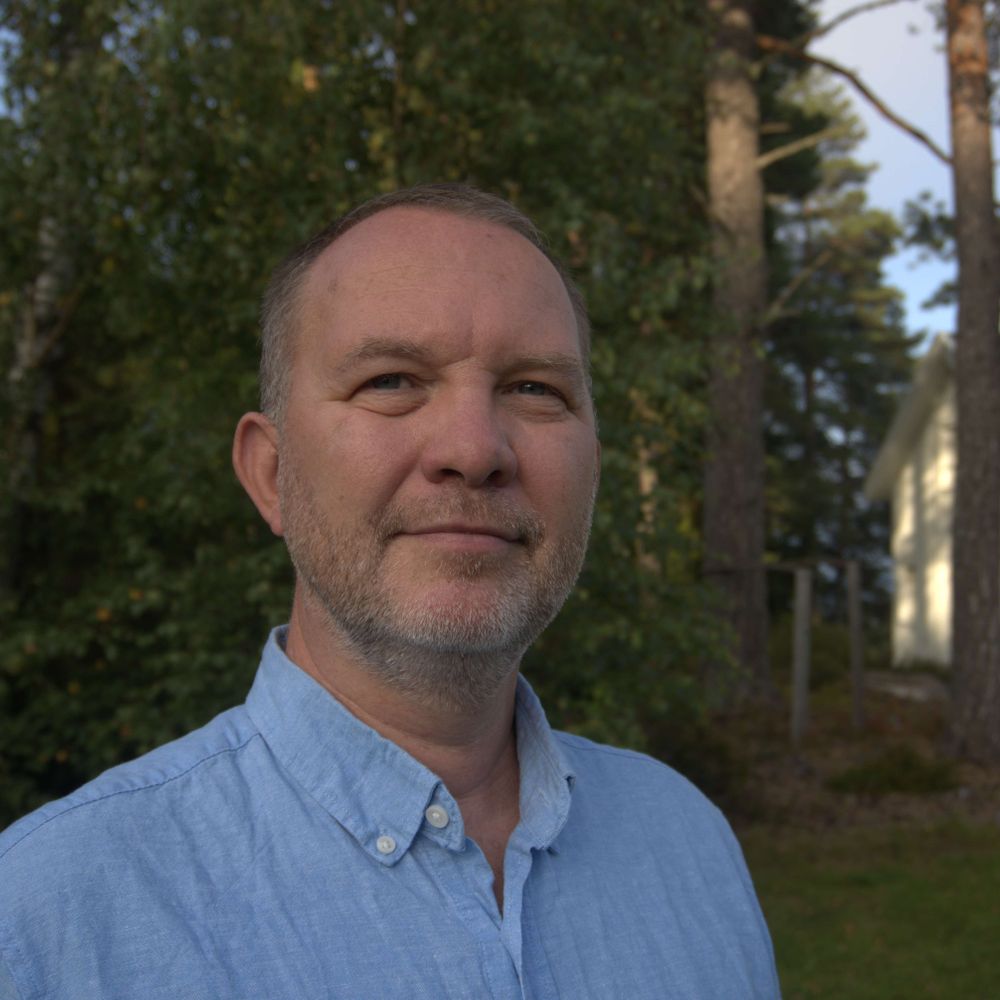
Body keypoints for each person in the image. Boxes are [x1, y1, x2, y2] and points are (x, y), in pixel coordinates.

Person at [0, 185, 780, 999]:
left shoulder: (689, 845)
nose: (474, 449)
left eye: (534, 390)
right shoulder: (47, 927)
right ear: (271, 475)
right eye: (392, 380)